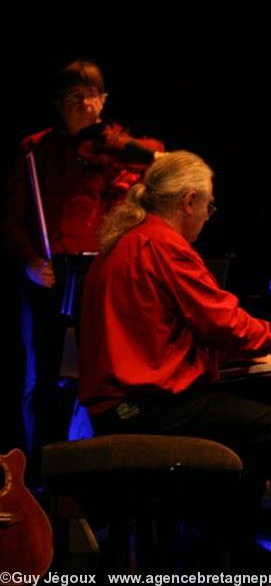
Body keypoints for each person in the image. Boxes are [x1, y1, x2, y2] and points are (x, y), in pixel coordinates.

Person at [78, 150, 271, 568]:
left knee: (252, 428)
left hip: (120, 407)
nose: (209, 215)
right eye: (208, 205)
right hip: (148, 408)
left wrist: (241, 357)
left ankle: (230, 555)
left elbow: (165, 329)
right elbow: (218, 319)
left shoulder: (125, 242)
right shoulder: (164, 244)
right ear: (189, 201)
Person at [1, 60, 163, 470]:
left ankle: (105, 465)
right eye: (76, 97)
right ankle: (38, 472)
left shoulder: (118, 149)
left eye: (94, 95)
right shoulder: (36, 149)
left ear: (104, 100)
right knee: (41, 381)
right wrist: (30, 262)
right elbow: (11, 216)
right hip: (49, 274)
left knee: (104, 376)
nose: (87, 104)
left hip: (100, 273)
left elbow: (161, 164)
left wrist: (119, 147)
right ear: (59, 105)